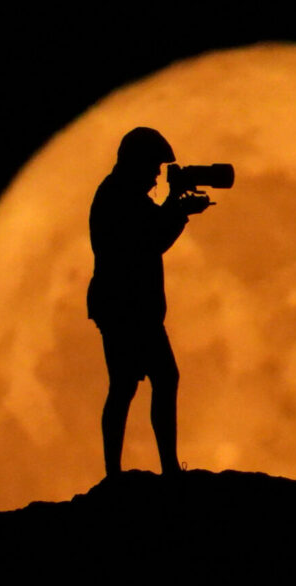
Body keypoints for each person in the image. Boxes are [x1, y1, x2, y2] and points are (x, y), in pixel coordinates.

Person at [87, 127, 211, 476]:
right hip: (123, 308)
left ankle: (145, 468)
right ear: (136, 162)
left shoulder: (124, 196)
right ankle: (136, 469)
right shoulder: (117, 197)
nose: (158, 173)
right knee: (137, 382)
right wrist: (177, 207)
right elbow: (149, 241)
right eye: (154, 166)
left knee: (138, 382)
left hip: (131, 307)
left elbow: (154, 233)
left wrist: (177, 208)